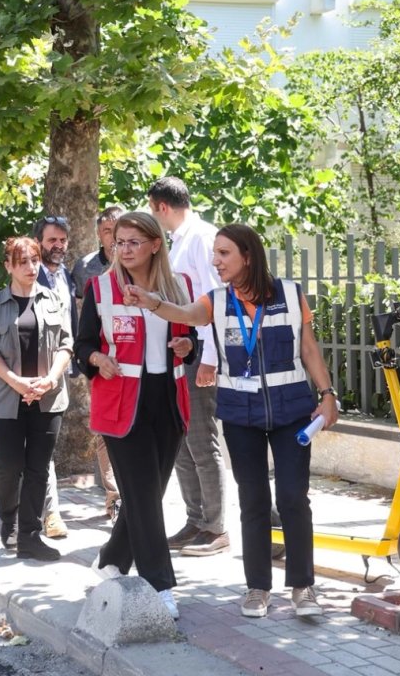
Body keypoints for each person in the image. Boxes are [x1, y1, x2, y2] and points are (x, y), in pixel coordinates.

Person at [124, 223, 338, 619]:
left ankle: (303, 587)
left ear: (248, 257)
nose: (215, 261)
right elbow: (184, 313)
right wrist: (151, 302)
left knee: (293, 498)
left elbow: (308, 349)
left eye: (224, 254)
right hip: (240, 416)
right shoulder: (217, 301)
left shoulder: (290, 295)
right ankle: (257, 588)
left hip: (292, 413)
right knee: (253, 501)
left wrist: (328, 395)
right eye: (215, 253)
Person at [75, 211, 197, 620]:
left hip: (167, 402)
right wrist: (96, 358)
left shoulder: (180, 287)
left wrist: (188, 349)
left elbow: (190, 337)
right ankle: (159, 585)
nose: (124, 249)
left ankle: (111, 558)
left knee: (147, 495)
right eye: (118, 242)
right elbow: (82, 346)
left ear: (154, 245)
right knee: (144, 496)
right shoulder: (100, 288)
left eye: (133, 242)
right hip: (121, 406)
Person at [148, 176, 229, 557]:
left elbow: (214, 301)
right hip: (181, 352)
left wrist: (209, 359)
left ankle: (215, 526)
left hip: (200, 354)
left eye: (153, 209)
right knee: (180, 440)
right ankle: (195, 519)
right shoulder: (179, 241)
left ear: (162, 206)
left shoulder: (201, 239)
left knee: (200, 439)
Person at [0, 237, 73, 561]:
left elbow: (65, 343)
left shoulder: (52, 299)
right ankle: (10, 523)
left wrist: (50, 379)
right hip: (9, 397)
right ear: (9, 266)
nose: (31, 268)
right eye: (23, 262)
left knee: (38, 469)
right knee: (9, 465)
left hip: (48, 398)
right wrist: (16, 382)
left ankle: (30, 536)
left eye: (34, 260)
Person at [71, 206, 125, 521]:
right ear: (99, 234)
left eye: (118, 228)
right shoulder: (85, 268)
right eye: (107, 230)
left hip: (138, 360)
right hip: (100, 359)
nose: (113, 236)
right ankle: (114, 497)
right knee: (106, 428)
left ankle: (137, 493)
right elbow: (82, 318)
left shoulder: (142, 263)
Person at [32, 215, 77, 540]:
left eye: (62, 240)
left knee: (43, 444)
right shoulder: (29, 276)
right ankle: (49, 513)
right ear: (39, 242)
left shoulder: (67, 276)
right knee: (39, 445)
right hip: (33, 372)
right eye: (52, 240)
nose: (58, 245)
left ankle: (42, 509)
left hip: (61, 370)